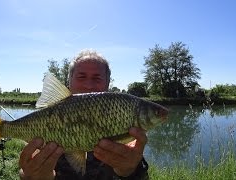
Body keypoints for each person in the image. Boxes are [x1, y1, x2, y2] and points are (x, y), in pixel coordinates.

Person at [19, 50, 149, 179]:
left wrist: (130, 170)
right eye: (81, 77)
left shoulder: (122, 121)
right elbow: (26, 171)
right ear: (69, 82)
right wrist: (37, 176)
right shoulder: (43, 123)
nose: (88, 85)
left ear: (108, 83)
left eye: (97, 78)